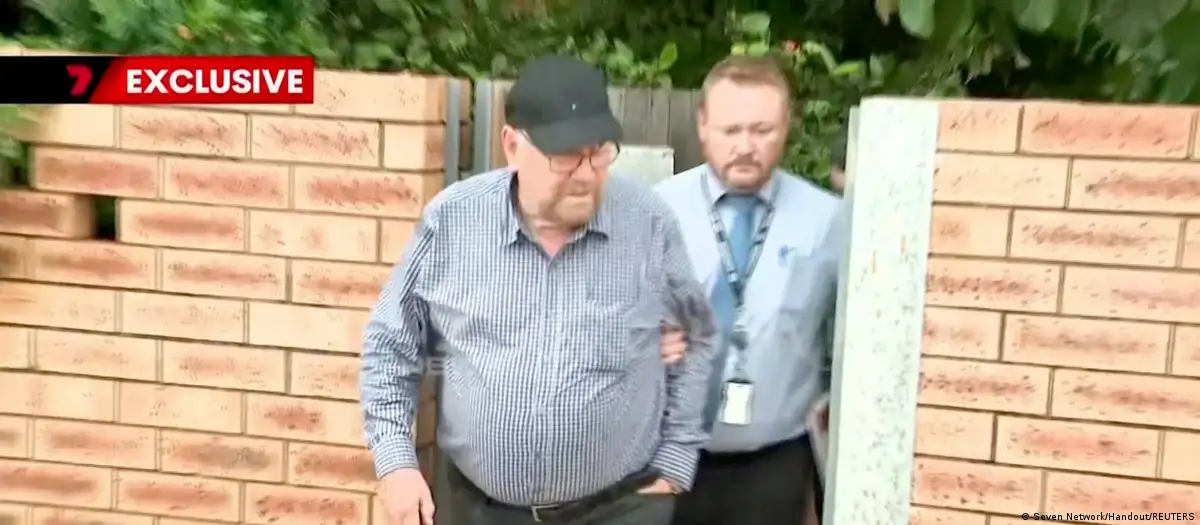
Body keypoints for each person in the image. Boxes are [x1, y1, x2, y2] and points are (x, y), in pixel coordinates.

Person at [360, 54, 718, 525]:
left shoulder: (648, 224)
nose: (587, 173)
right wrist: (395, 462)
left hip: (620, 509)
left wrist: (675, 462)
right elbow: (391, 344)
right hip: (481, 511)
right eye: (566, 155)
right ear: (511, 145)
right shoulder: (454, 222)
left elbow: (696, 338)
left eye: (599, 151)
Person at [654, 55, 844, 525]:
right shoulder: (654, 212)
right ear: (703, 126)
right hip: (666, 459)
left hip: (775, 463)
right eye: (730, 129)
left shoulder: (829, 221)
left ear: (787, 127)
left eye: (762, 130)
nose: (745, 146)